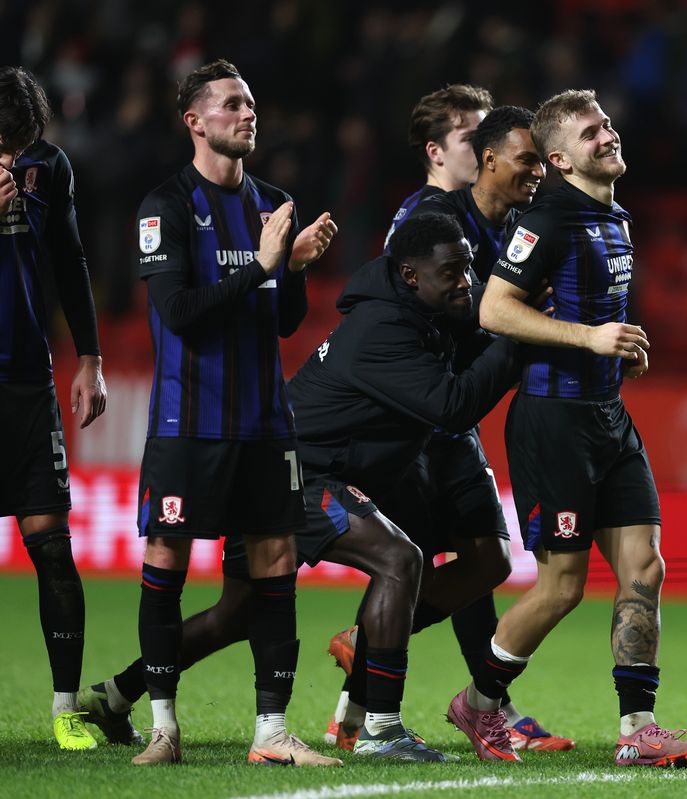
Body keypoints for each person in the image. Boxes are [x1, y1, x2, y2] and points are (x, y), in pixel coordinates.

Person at [80, 214, 526, 763]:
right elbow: (452, 406)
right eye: (454, 271)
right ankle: (381, 730)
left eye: (470, 268)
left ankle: (116, 694)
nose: (467, 281)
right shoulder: (381, 329)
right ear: (411, 276)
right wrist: (516, 341)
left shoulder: (426, 308)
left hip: (303, 468)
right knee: (399, 560)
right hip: (295, 473)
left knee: (235, 615)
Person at [451, 89, 687, 768]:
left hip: (607, 416)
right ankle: (478, 702)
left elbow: (594, 316)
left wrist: (619, 347)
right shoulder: (549, 218)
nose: (609, 135)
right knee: (563, 586)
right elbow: (495, 308)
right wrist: (589, 337)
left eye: (608, 124)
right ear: (560, 158)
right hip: (552, 419)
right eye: (592, 131)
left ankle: (638, 727)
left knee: (645, 567)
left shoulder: (615, 218)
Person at [95, 59, 340, 767]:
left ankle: (270, 732)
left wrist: (290, 268)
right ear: (195, 121)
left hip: (264, 421)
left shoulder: (272, 200)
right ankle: (164, 729)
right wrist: (262, 265)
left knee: (274, 561)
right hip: (187, 421)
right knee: (167, 557)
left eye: (251, 104)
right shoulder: (163, 205)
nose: (247, 114)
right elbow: (179, 313)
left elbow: (286, 322)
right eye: (231, 105)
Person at [326, 106, 574, 754]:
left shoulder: (517, 224)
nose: (536, 170)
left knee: (486, 559)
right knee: (426, 561)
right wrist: (510, 328)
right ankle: (389, 713)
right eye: (473, 134)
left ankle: (362, 675)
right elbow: (413, 316)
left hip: (458, 414)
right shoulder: (432, 222)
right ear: (477, 154)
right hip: (422, 418)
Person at [0, 66, 107, 751]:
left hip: (26, 382)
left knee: (50, 541)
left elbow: (70, 260)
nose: (14, 160)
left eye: (21, 146)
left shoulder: (48, 170)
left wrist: (90, 359)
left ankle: (66, 709)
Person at [382, 84, 493, 252]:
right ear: (435, 152)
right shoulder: (429, 219)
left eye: (487, 137)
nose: (486, 149)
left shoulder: (432, 205)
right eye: (470, 139)